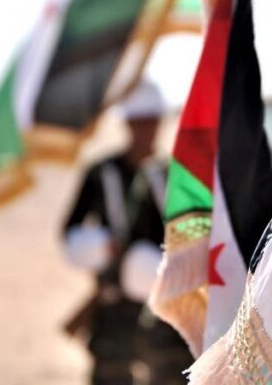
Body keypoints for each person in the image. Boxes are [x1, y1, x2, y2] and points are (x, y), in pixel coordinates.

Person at [62, 80, 193, 385]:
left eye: (152, 122)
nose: (146, 131)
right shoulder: (100, 173)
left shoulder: (177, 175)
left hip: (168, 312)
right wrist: (99, 247)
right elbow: (70, 231)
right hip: (114, 311)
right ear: (127, 124)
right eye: (139, 123)